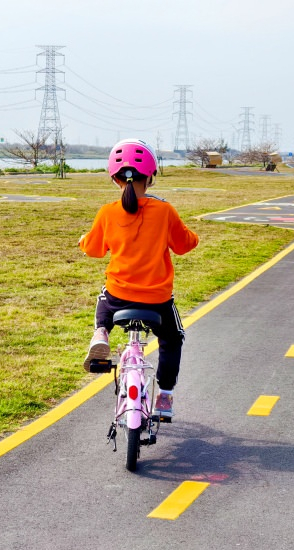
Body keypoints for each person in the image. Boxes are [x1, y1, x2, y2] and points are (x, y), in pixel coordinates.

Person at [79, 138, 199, 418]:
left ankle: (101, 332)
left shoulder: (108, 212)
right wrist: (192, 236)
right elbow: (184, 245)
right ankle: (166, 397)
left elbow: (94, 249)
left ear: (114, 179)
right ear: (151, 177)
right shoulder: (165, 211)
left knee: (104, 296)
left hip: (118, 296)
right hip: (157, 300)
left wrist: (83, 240)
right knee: (173, 339)